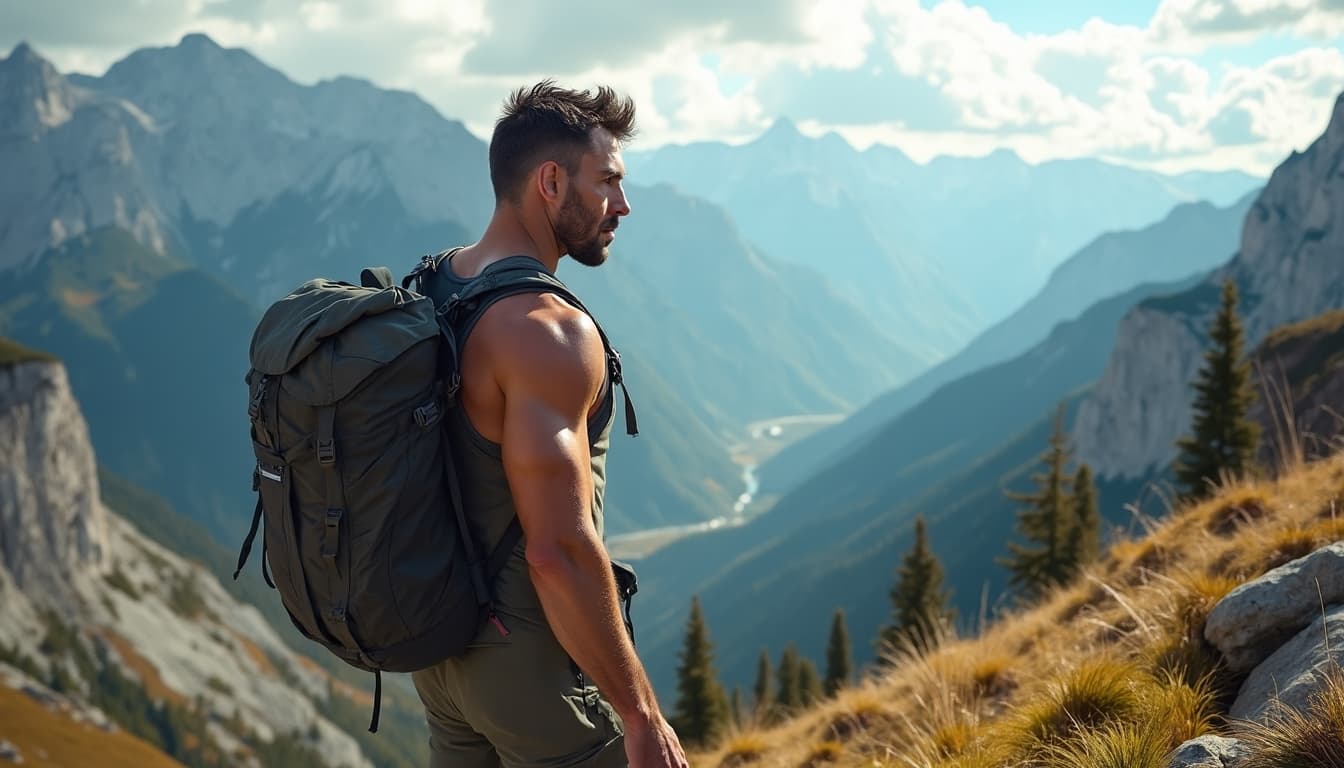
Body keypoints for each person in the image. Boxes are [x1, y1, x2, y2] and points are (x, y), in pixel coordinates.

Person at [408, 81, 689, 768]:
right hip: (531, 669)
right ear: (551, 182)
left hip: (440, 656)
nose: (623, 204)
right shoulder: (547, 331)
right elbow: (557, 549)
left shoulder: (434, 286)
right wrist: (641, 714)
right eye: (608, 181)